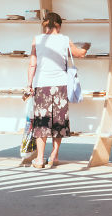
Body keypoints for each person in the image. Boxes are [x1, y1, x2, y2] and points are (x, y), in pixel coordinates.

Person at [26, 12, 89, 168]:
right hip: (60, 86)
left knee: (42, 122)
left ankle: (40, 159)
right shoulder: (64, 40)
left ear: (45, 25)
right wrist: (87, 45)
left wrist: (29, 84)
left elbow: (32, 64)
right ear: (59, 25)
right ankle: (53, 155)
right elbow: (80, 54)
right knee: (58, 122)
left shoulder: (37, 40)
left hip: (41, 85)